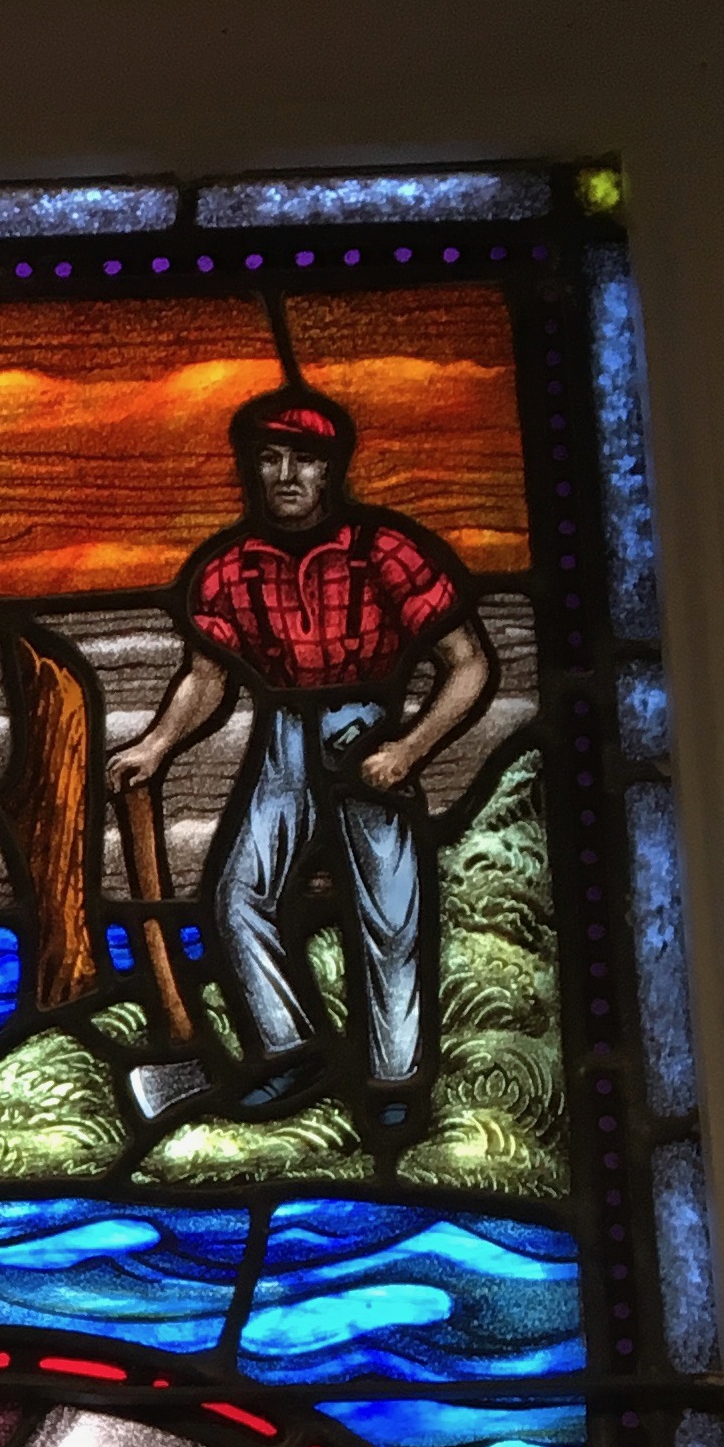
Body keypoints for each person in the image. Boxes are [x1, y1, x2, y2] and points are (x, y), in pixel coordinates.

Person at [103, 388, 493, 1123]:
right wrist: (157, 743)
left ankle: (395, 1087)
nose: (286, 475)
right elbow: (207, 678)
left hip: (365, 726)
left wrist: (409, 749)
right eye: (269, 458)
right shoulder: (227, 568)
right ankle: (291, 1049)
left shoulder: (385, 551)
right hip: (283, 728)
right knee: (238, 895)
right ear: (249, 469)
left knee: (390, 914)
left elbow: (468, 663)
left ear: (331, 470)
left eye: (304, 460)